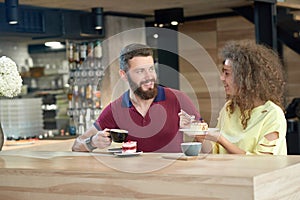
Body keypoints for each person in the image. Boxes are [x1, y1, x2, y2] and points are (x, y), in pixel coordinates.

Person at [72, 43, 201, 153]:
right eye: (140, 71)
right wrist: (93, 142)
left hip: (174, 178)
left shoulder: (177, 98)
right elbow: (77, 146)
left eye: (151, 69)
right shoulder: (115, 109)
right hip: (134, 180)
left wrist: (195, 131)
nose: (149, 76)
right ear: (124, 75)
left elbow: (206, 141)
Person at [185, 40, 287, 155]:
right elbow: (214, 152)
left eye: (227, 73)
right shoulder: (229, 108)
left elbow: (262, 161)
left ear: (245, 77)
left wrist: (221, 139)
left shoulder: (273, 114)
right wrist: (199, 134)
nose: (222, 78)